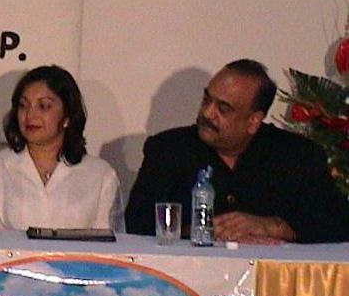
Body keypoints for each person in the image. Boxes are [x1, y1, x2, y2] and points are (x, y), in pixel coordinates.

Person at [126, 59, 349, 244]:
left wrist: (271, 227)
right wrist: (202, 231)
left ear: (253, 121)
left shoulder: (298, 156)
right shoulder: (168, 150)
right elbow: (137, 222)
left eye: (223, 108)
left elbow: (337, 222)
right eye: (206, 99)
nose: (208, 113)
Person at [0, 65, 122, 231]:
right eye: (23, 105)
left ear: (67, 116)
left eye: (44, 106)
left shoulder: (101, 175)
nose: (30, 116)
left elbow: (113, 247)